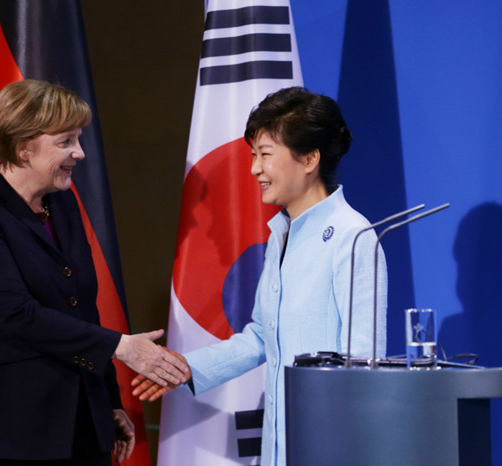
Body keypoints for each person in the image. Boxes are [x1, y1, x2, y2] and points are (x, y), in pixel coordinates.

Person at [133, 87, 387, 466]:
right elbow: (261, 336)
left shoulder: (352, 236)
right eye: (254, 155)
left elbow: (364, 363)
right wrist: (189, 368)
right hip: (280, 445)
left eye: (265, 155)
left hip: (329, 445)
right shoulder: (282, 234)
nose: (254, 169)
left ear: (310, 159)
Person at [0, 80, 188, 466]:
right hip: (3, 431)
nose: (80, 153)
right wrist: (122, 347)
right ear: (23, 147)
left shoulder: (63, 204)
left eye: (79, 139)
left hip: (78, 424)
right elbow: (14, 312)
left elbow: (81, 310)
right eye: (66, 142)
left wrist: (107, 402)